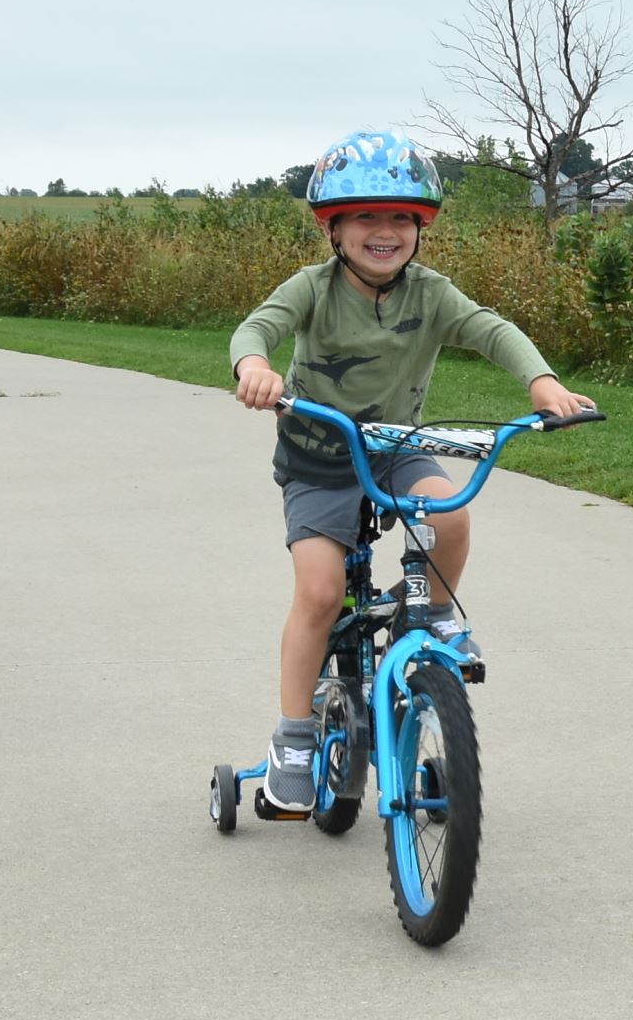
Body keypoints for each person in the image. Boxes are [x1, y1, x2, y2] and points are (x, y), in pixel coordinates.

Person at [229, 129, 594, 812]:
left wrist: (541, 382)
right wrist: (254, 366)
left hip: (397, 445)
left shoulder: (430, 294)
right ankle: (294, 737)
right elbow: (257, 327)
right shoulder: (313, 288)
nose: (385, 230)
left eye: (401, 217)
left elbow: (492, 329)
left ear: (420, 227)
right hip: (318, 454)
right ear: (334, 228)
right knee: (319, 591)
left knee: (450, 512)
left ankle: (430, 611)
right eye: (366, 216)